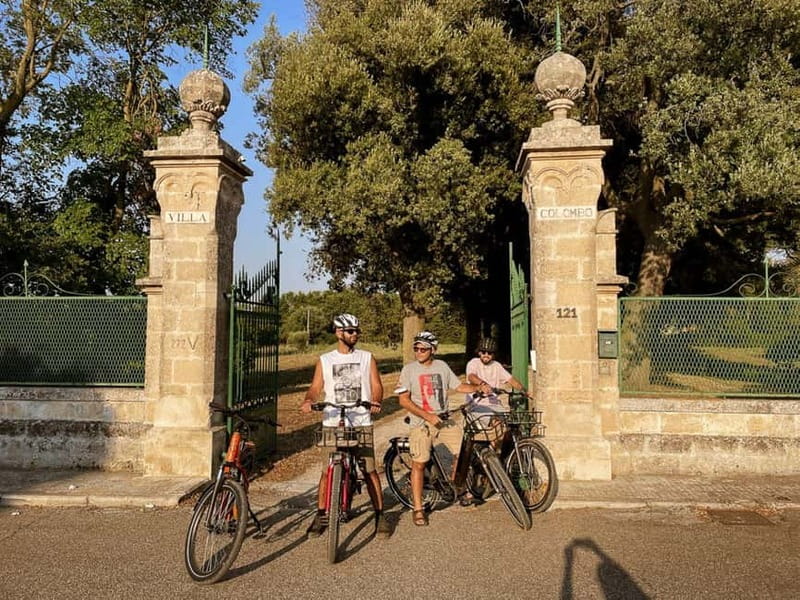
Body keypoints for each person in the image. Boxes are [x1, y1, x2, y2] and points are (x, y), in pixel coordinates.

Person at [301, 313, 392, 538]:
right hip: (333, 420)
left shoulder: (367, 357)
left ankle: (380, 515)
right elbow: (315, 386)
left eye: (357, 331)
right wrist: (309, 400)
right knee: (326, 470)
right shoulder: (325, 359)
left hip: (360, 420)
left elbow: (376, 385)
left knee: (369, 469)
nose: (355, 335)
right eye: (351, 331)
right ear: (338, 333)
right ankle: (321, 514)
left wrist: (376, 401)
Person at [395, 331, 491, 526]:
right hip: (421, 422)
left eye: (423, 349)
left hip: (444, 419)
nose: (418, 352)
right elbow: (403, 400)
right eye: (416, 348)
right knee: (419, 463)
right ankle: (418, 508)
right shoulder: (409, 370)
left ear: (433, 350)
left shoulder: (442, 366)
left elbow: (458, 386)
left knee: (464, 452)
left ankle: (459, 488)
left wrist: (478, 387)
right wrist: (427, 415)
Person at [465, 337, 534, 412]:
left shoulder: (497, 366)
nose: (486, 355)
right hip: (476, 404)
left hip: (495, 404)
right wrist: (483, 384)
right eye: (484, 352)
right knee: (493, 419)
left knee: (504, 416)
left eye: (490, 353)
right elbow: (471, 377)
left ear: (493, 354)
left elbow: (511, 380)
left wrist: (524, 391)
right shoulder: (473, 363)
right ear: (479, 353)